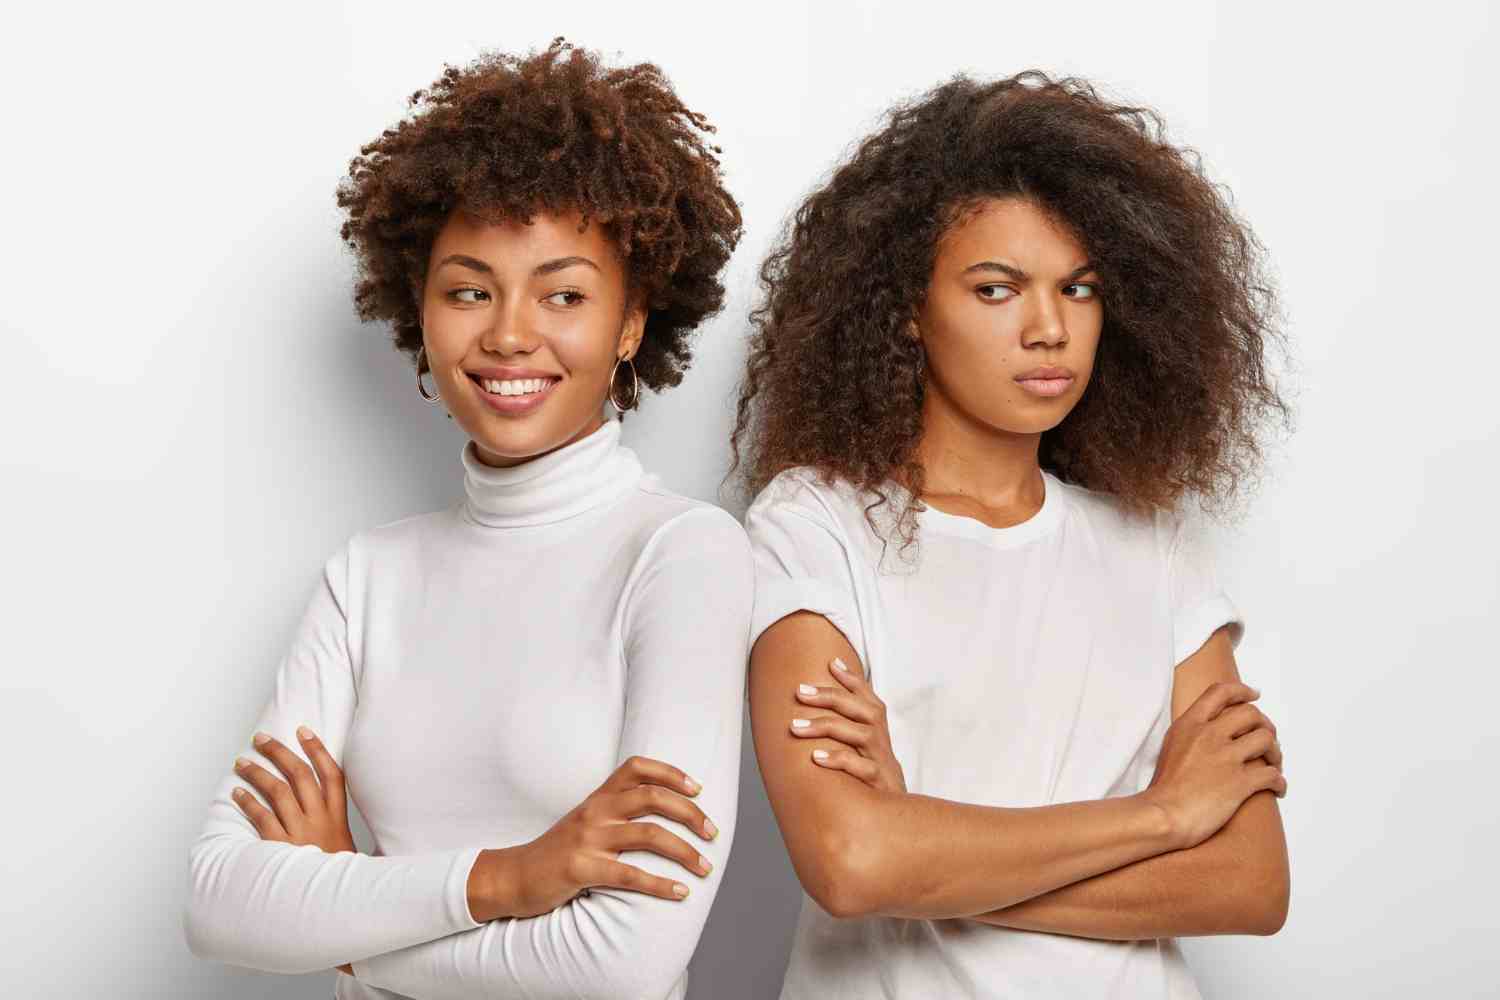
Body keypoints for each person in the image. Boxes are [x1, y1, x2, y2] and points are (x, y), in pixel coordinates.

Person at [183, 39, 751, 1000]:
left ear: (631, 322)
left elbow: (620, 964)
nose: (508, 334)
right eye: (469, 290)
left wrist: (343, 917)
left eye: (563, 293)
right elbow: (219, 904)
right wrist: (510, 877)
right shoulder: (369, 576)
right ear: (421, 308)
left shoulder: (681, 555)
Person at [733, 71, 1292, 999]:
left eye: (1079, 289)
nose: (1049, 328)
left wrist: (925, 845)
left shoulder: (1153, 550)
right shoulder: (812, 527)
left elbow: (1249, 883)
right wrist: (1163, 815)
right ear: (906, 308)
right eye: (997, 289)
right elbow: (852, 863)